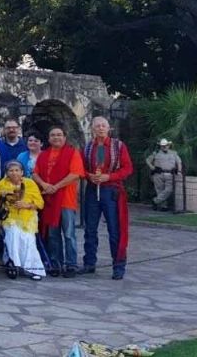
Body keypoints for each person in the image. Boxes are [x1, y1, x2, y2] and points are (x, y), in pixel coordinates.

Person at [80, 117, 134, 280]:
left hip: (111, 191)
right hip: (92, 190)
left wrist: (109, 177)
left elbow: (127, 168)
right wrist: (89, 176)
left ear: (108, 128)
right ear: (93, 128)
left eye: (103, 125)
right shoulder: (88, 147)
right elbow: (80, 168)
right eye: (97, 126)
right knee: (90, 229)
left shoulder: (118, 146)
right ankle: (89, 263)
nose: (100, 128)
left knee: (114, 230)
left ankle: (118, 266)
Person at [32, 126, 84, 278]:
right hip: (49, 199)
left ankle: (71, 265)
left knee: (69, 234)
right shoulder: (44, 155)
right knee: (53, 235)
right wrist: (44, 185)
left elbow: (75, 174)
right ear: (48, 139)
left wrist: (55, 186)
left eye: (59, 135)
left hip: (66, 200)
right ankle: (56, 263)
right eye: (53, 135)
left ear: (64, 137)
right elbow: (35, 173)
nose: (56, 137)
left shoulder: (72, 153)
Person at [0, 160, 45, 281]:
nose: (14, 173)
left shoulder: (30, 183)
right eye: (11, 171)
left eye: (17, 170)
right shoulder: (1, 184)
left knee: (28, 239)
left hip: (28, 216)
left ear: (22, 172)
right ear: (7, 173)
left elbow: (40, 203)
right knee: (13, 234)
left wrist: (27, 205)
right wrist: (2, 197)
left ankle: (33, 269)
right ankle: (14, 264)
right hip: (9, 216)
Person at [146, 138, 182, 211]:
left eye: (166, 145)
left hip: (170, 174)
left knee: (169, 189)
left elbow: (179, 162)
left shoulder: (174, 153)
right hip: (158, 174)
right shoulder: (156, 153)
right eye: (163, 145)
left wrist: (179, 171)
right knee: (160, 190)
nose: (165, 147)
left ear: (169, 145)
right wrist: (152, 167)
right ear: (160, 146)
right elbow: (147, 160)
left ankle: (155, 201)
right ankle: (163, 206)